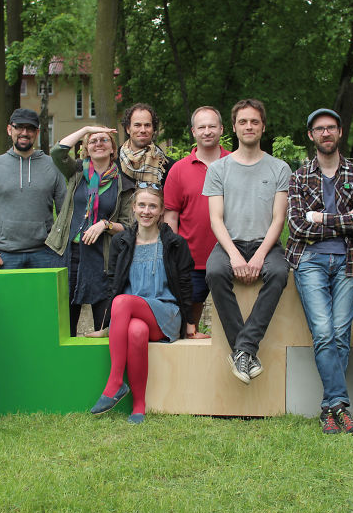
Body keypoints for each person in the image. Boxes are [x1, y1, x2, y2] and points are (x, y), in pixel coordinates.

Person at [286, 108, 353, 435]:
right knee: (323, 332)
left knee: (339, 334)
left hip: (350, 262)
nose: (326, 133)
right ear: (311, 135)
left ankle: (329, 410)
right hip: (309, 261)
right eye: (319, 129)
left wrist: (321, 219)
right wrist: (341, 224)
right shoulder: (298, 177)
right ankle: (339, 406)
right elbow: (296, 226)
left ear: (339, 133)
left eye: (331, 128)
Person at [89, 185, 194, 424]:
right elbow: (112, 283)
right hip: (131, 315)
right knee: (136, 331)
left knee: (123, 301)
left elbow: (186, 284)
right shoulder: (122, 242)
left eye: (153, 206)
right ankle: (138, 406)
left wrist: (190, 324)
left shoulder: (175, 243)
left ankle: (115, 381)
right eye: (142, 205)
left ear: (161, 211)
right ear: (133, 208)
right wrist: (106, 326)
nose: (147, 211)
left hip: (165, 312)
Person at [203, 98, 290, 384]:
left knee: (278, 272)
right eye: (243, 122)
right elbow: (216, 219)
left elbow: (279, 219)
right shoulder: (218, 169)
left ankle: (243, 349)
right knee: (215, 271)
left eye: (254, 121)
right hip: (230, 244)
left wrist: (260, 256)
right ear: (234, 128)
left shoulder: (279, 168)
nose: (249, 126)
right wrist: (236, 256)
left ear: (263, 127)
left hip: (266, 244)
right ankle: (246, 351)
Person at [46, 125, 134, 336]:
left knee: (103, 325)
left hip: (101, 257)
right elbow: (57, 151)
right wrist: (86, 128)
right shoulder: (76, 172)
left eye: (104, 140)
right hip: (69, 254)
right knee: (64, 324)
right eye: (92, 141)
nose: (98, 144)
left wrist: (105, 224)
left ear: (113, 149)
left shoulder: (123, 182)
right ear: (86, 149)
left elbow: (129, 226)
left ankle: (103, 367)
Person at [163, 106, 230, 339]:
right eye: (201, 127)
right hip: (191, 261)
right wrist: (173, 253)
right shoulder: (178, 170)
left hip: (232, 258)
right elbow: (171, 216)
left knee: (231, 326)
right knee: (188, 329)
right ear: (193, 131)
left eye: (212, 126)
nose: (207, 131)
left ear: (221, 129)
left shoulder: (236, 164)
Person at [0, 108, 66, 269]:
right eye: (19, 127)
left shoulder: (52, 166)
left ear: (37, 132)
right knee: (6, 296)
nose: (24, 132)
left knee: (44, 296)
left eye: (30, 128)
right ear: (10, 130)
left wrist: (60, 247)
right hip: (4, 256)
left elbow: (65, 212)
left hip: (45, 255)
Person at [117, 103, 175, 186]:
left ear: (153, 129)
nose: (143, 130)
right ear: (128, 129)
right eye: (137, 125)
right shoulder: (112, 164)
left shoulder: (169, 167)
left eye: (147, 125)